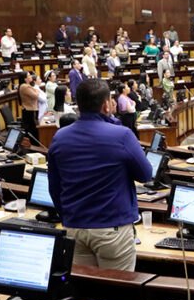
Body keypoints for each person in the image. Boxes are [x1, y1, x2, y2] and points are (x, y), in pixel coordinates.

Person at [47, 79, 152, 270]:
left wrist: (68, 218)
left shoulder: (60, 137)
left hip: (75, 227)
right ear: (106, 105)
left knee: (86, 293)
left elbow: (54, 187)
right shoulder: (122, 135)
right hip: (112, 229)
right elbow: (146, 175)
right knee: (117, 293)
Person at [19, 72, 41, 144]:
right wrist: (37, 91)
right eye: (29, 75)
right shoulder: (24, 86)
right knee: (32, 129)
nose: (31, 76)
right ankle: (34, 145)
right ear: (25, 79)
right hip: (29, 110)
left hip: (32, 109)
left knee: (33, 129)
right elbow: (36, 96)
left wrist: (36, 90)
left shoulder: (27, 86)